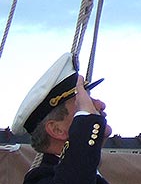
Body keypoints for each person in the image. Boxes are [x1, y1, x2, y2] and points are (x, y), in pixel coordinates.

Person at [10, 52, 111, 184]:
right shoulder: (40, 180)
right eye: (82, 102)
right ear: (57, 129)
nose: (100, 104)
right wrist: (88, 119)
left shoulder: (91, 174)